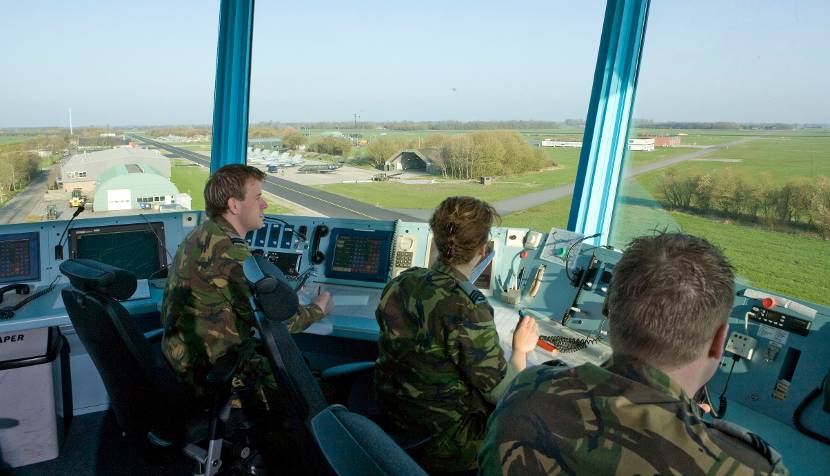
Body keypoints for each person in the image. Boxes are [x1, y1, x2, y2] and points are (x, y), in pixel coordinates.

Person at [479, 233, 788, 475]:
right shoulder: (751, 467)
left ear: (608, 311)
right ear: (719, 341)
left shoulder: (526, 392)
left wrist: (521, 355)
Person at [161, 164, 333, 470]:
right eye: (258, 196)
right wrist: (317, 308)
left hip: (184, 359)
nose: (264, 204)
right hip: (215, 371)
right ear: (234, 204)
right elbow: (280, 323)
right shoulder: (231, 254)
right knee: (307, 382)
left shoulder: (201, 235)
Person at [375, 196, 539, 474]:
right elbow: (507, 394)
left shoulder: (401, 283)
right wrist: (521, 350)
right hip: (449, 442)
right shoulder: (468, 308)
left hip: (396, 417)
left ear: (436, 239)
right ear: (483, 249)